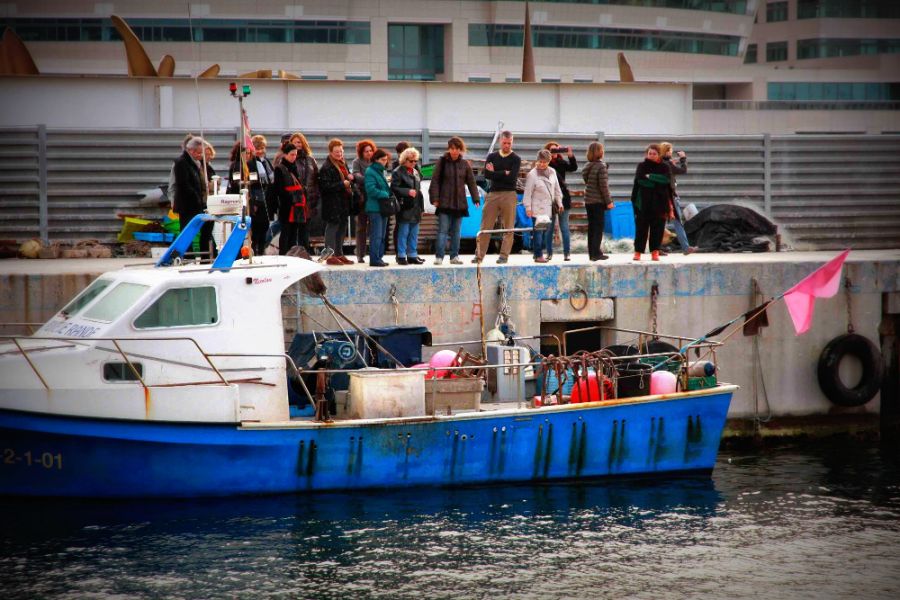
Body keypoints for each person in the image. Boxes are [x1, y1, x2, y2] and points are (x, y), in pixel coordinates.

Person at [429, 136, 480, 265]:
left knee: (456, 232)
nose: (454, 151)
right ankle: (439, 256)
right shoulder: (442, 162)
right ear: (448, 149)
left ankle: (454, 256)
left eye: (457, 149)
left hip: (459, 203)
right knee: (442, 230)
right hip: (444, 203)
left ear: (460, 150)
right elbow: (435, 181)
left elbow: (471, 183)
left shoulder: (465, 164)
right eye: (452, 149)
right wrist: (434, 198)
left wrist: (476, 198)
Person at [474, 130, 521, 264]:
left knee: (508, 227)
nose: (507, 145)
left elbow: (512, 178)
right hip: (493, 193)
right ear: (500, 141)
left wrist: (496, 172)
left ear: (512, 142)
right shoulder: (492, 156)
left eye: (509, 143)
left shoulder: (516, 159)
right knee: (485, 226)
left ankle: (504, 255)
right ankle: (479, 255)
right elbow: (487, 175)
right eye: (504, 143)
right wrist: (503, 173)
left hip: (509, 194)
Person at [227, 137, 274, 255]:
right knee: (241, 229)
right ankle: (237, 253)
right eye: (245, 153)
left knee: (260, 228)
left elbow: (261, 181)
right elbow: (234, 184)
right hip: (241, 201)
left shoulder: (255, 164)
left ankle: (259, 251)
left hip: (256, 200)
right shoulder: (236, 165)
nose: (247, 155)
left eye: (249, 153)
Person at [172, 136, 214, 255]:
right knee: (187, 232)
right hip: (187, 205)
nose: (201, 155)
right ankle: (186, 256)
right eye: (200, 152)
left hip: (197, 204)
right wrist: (196, 198)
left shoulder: (195, 163)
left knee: (204, 231)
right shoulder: (181, 162)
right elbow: (184, 184)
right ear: (191, 151)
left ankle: (204, 255)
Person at [630, 143, 671, 262]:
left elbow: (666, 180)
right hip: (642, 203)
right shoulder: (642, 166)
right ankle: (638, 252)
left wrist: (651, 176)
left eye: (654, 154)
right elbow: (641, 181)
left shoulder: (664, 167)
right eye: (650, 153)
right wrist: (656, 181)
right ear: (646, 154)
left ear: (659, 155)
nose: (652, 155)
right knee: (641, 229)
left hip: (659, 203)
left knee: (657, 229)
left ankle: (655, 252)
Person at [317, 139, 355, 265]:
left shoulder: (342, 164)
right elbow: (324, 187)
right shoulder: (327, 167)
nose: (339, 154)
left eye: (341, 151)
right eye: (336, 152)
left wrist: (350, 179)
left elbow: (347, 179)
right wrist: (342, 184)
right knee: (332, 228)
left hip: (343, 202)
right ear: (331, 152)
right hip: (332, 203)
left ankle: (339, 253)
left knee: (342, 228)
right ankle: (329, 255)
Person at [523, 150, 563, 263]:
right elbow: (528, 193)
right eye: (540, 161)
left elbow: (557, 190)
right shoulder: (532, 174)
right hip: (537, 208)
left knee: (546, 234)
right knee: (538, 233)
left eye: (544, 162)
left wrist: (559, 203)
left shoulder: (553, 172)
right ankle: (538, 255)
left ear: (548, 161)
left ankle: (537, 253)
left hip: (549, 209)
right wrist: (528, 208)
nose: (542, 164)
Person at [660, 141, 697, 255]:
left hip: (660, 197)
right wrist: (683, 159)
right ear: (667, 151)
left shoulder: (660, 163)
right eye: (670, 151)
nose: (671, 153)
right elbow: (683, 170)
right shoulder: (668, 164)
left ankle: (656, 248)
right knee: (677, 222)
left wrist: (672, 163)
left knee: (660, 223)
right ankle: (686, 248)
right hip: (670, 197)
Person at [391, 147, 426, 265]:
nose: (414, 163)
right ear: (404, 160)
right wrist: (407, 191)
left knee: (414, 233)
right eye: (411, 161)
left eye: (416, 161)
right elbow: (394, 188)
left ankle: (412, 254)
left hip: (415, 206)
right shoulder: (397, 172)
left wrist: (421, 207)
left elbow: (418, 189)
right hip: (404, 206)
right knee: (403, 232)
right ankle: (401, 255)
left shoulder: (415, 171)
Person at [273, 142, 309, 255]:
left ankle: (292, 254)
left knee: (294, 232)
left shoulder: (294, 167)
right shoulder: (279, 169)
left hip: (297, 205)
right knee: (286, 232)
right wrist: (290, 198)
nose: (294, 157)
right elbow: (279, 189)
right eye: (291, 154)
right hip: (287, 205)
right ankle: (283, 254)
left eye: (295, 155)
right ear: (285, 154)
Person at [581, 142, 614, 261]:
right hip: (598, 201)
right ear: (599, 152)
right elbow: (603, 186)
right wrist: (609, 201)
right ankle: (597, 253)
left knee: (592, 227)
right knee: (598, 227)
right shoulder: (601, 166)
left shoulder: (587, 166)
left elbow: (587, 181)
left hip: (588, 200)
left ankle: (592, 253)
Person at [544, 141, 577, 260]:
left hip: (563, 197)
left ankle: (567, 253)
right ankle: (549, 253)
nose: (555, 153)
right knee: (549, 228)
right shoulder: (545, 165)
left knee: (564, 227)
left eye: (557, 150)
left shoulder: (561, 163)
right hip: (549, 198)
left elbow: (573, 167)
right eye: (552, 150)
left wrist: (570, 155)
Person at [364, 148, 392, 267]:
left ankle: (379, 257)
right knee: (376, 235)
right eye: (382, 159)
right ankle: (374, 259)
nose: (384, 162)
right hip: (375, 208)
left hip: (382, 208)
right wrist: (385, 194)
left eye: (386, 160)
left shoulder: (381, 171)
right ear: (376, 159)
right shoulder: (370, 171)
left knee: (382, 235)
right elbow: (370, 189)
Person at [351, 139, 376, 264]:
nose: (369, 153)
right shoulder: (357, 161)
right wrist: (369, 179)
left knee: (374, 227)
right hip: (362, 198)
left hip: (374, 198)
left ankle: (374, 253)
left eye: (371, 151)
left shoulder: (375, 162)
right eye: (366, 151)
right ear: (361, 152)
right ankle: (360, 254)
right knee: (361, 227)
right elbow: (355, 175)